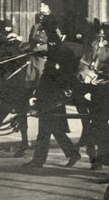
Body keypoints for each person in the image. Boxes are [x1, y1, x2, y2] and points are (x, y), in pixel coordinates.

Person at [23, 22, 81, 168]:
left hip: (54, 98)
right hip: (48, 96)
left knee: (47, 130)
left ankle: (39, 160)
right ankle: (71, 154)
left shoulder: (61, 54)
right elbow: (45, 77)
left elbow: (63, 77)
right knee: (53, 130)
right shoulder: (55, 52)